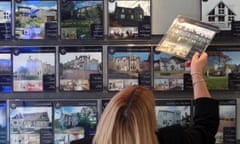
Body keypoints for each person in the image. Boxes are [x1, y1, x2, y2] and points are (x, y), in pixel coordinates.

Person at [71, 52, 219, 144]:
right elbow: (206, 126)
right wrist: (197, 74)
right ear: (148, 118)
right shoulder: (171, 139)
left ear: (107, 116)